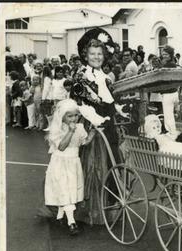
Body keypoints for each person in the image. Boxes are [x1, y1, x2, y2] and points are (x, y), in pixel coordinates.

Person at [74, 28, 124, 225]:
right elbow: (80, 104)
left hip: (108, 125)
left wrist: (118, 109)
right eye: (92, 54)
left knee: (113, 162)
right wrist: (96, 120)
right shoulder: (81, 75)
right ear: (86, 55)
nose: (96, 57)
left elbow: (108, 101)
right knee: (96, 166)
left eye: (99, 54)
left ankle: (111, 203)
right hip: (92, 127)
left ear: (104, 56)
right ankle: (91, 209)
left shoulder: (104, 77)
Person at [44, 99, 96, 235]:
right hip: (60, 162)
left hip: (74, 162)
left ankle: (61, 216)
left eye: (76, 115)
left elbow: (83, 142)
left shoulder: (79, 127)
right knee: (64, 189)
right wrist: (70, 132)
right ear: (62, 116)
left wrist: (92, 133)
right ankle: (71, 222)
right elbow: (61, 147)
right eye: (70, 116)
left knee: (69, 190)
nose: (74, 118)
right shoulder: (57, 128)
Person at [160, 45, 180, 140]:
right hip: (172, 92)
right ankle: (172, 133)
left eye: (166, 54)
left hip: (169, 93)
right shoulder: (172, 63)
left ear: (170, 55)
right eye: (163, 54)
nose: (164, 56)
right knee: (170, 115)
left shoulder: (169, 64)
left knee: (168, 115)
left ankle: (172, 135)